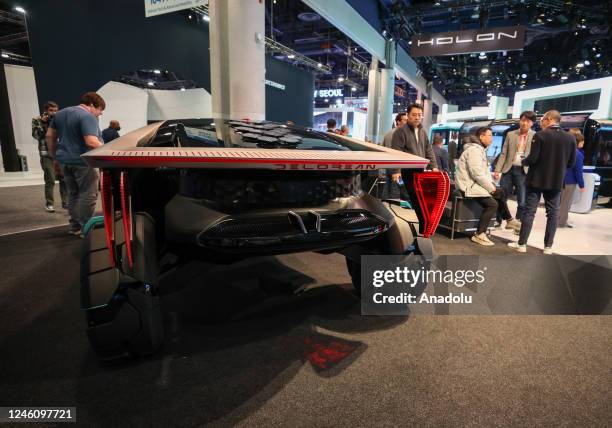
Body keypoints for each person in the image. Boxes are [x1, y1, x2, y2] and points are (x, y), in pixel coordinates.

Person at [508, 110, 576, 254]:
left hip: (536, 180)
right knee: (553, 214)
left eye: (543, 119)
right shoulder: (570, 138)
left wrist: (522, 161)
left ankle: (522, 244)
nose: (541, 122)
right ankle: (548, 247)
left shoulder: (540, 135)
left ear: (549, 119)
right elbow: (571, 163)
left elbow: (533, 159)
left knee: (529, 212)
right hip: (556, 181)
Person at [46, 92, 105, 236]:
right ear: (92, 105)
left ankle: (75, 226)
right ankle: (87, 229)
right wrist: (109, 151)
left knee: (73, 194)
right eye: (100, 111)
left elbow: (49, 136)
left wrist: (55, 158)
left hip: (65, 161)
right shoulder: (87, 116)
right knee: (88, 195)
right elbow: (91, 141)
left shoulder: (59, 114)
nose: (99, 115)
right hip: (83, 162)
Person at [456, 127, 519, 246]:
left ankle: (509, 220)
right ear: (481, 136)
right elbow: (477, 173)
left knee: (500, 192)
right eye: (489, 135)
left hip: (474, 184)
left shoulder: (480, 150)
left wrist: (492, 186)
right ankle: (479, 234)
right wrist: (491, 188)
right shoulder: (474, 150)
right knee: (492, 204)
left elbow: (483, 172)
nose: (492, 138)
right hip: (468, 186)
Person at [386, 104, 438, 199]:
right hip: (405, 171)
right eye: (414, 115)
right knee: (405, 198)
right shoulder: (400, 131)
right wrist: (396, 171)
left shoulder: (423, 131)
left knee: (416, 198)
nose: (417, 117)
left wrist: (434, 166)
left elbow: (428, 150)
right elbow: (396, 152)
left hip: (419, 171)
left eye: (419, 115)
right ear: (408, 115)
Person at [494, 111, 536, 222]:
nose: (524, 123)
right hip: (508, 169)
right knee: (501, 196)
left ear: (532, 123)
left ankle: (518, 222)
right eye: (523, 120)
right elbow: (503, 153)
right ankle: (498, 220)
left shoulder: (535, 136)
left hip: (524, 171)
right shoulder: (511, 134)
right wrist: (497, 170)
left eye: (527, 121)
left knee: (522, 199)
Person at [32, 101, 68, 212]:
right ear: (46, 110)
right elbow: (36, 135)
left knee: (64, 178)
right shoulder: (37, 119)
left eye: (56, 110)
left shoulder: (59, 120)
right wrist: (44, 124)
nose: (54, 113)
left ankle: (65, 202)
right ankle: (49, 203)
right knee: (50, 179)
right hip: (46, 153)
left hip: (60, 153)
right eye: (51, 110)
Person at [558, 128, 585, 228]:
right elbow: (578, 171)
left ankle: (561, 220)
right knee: (566, 203)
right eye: (582, 141)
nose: (583, 143)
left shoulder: (564, 150)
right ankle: (561, 222)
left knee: (561, 202)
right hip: (570, 182)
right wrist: (582, 184)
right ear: (578, 142)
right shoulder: (578, 154)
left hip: (560, 180)